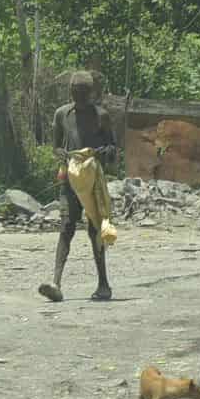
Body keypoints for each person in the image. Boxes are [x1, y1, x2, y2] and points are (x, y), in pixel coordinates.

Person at [39, 71, 119, 302]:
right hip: (69, 179)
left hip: (93, 180)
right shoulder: (62, 114)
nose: (80, 98)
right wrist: (61, 153)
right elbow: (55, 146)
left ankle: (103, 284)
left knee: (96, 229)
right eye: (76, 93)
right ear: (71, 93)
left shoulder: (101, 116)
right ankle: (55, 282)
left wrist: (105, 152)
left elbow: (113, 148)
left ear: (91, 93)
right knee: (66, 226)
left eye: (84, 94)